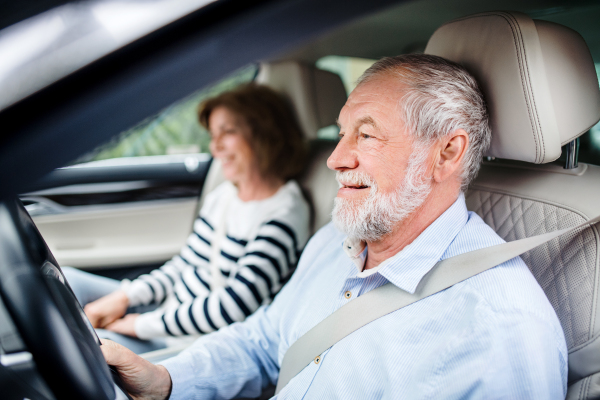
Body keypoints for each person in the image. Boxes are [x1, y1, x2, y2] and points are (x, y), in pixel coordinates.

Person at [101, 55, 567, 399]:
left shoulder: (500, 330)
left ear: (445, 154)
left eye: (366, 134)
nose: (336, 159)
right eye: (342, 133)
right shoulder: (334, 241)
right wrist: (165, 381)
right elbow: (264, 342)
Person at [64, 83, 311, 354]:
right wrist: (125, 297)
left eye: (227, 132)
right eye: (213, 134)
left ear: (265, 134)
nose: (215, 147)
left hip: (195, 343)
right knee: (65, 280)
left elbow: (233, 306)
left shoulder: (284, 214)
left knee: (83, 344)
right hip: (169, 314)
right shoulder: (225, 195)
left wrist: (139, 325)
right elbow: (185, 264)